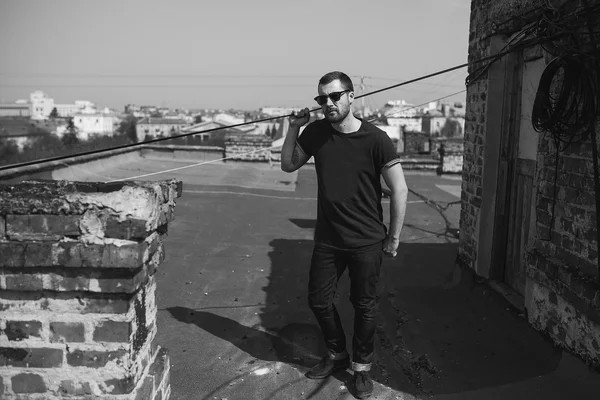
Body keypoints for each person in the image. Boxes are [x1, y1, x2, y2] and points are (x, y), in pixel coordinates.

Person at [280, 71, 408, 398]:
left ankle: (362, 368)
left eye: (335, 96)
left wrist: (392, 238)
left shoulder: (376, 139)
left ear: (351, 96)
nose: (329, 104)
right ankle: (338, 355)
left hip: (367, 240)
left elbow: (399, 190)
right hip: (328, 238)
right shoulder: (316, 131)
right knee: (319, 300)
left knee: (364, 306)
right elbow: (288, 165)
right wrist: (293, 127)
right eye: (322, 99)